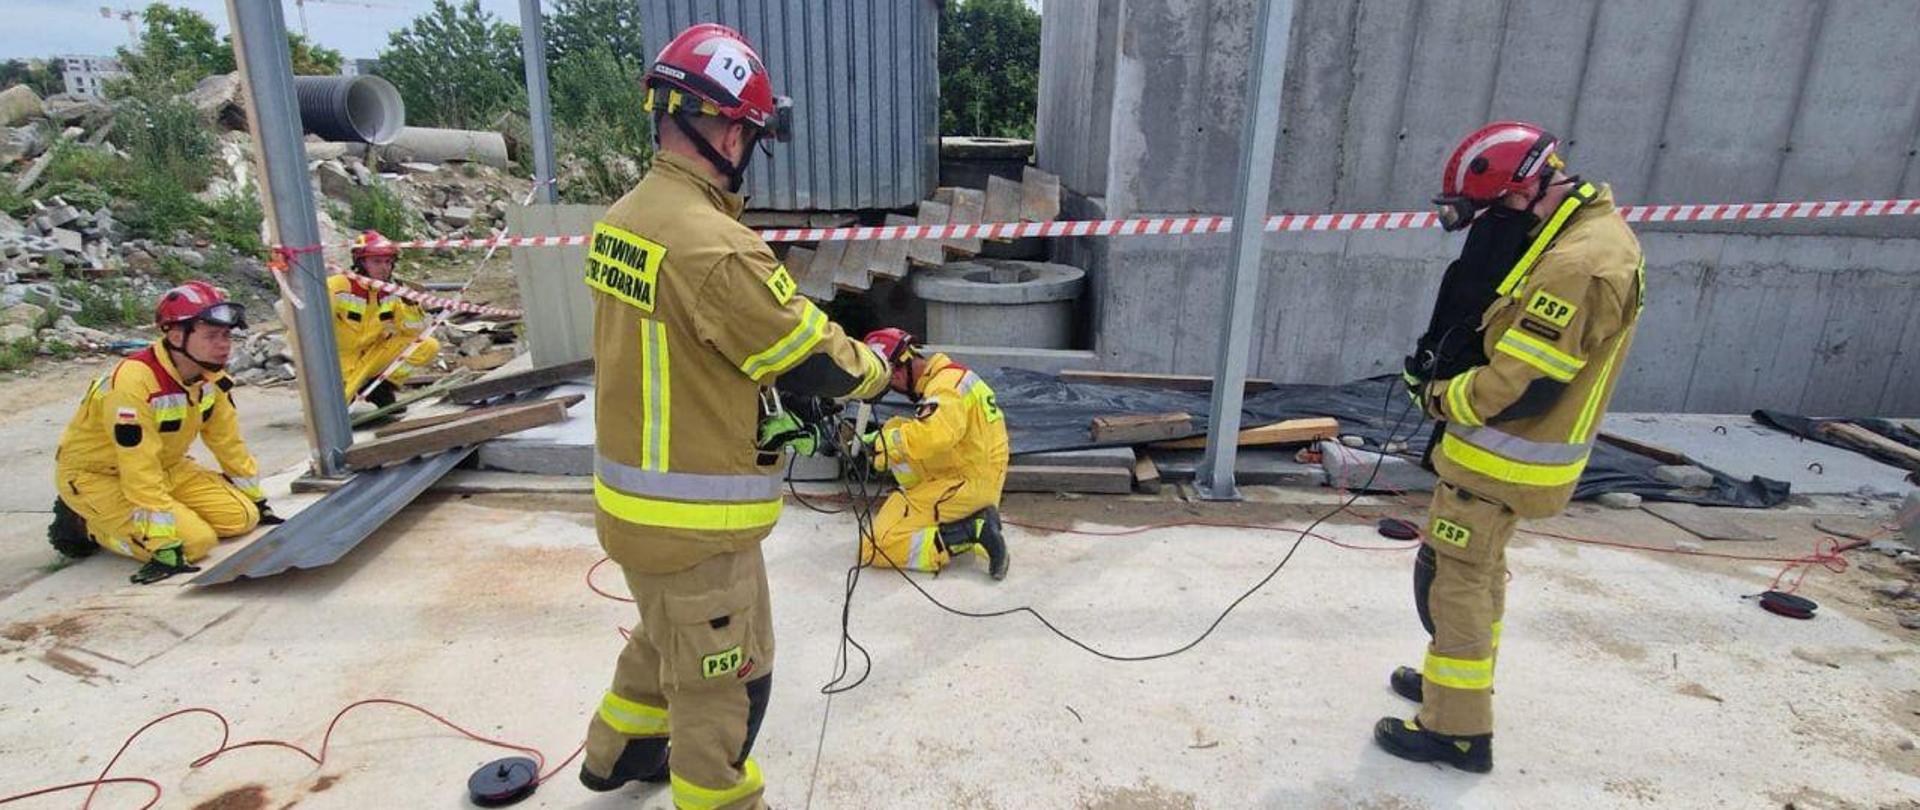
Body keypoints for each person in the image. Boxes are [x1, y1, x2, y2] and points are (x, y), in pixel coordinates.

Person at [577, 24, 888, 810]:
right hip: (695, 524)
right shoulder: (716, 247)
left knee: (665, 636)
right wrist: (878, 366)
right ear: (722, 129)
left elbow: (684, 345)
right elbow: (810, 357)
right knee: (729, 679)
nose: (747, 148)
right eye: (750, 134)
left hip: (632, 509)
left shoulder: (623, 219)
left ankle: (616, 755)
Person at [1380, 121, 1645, 772]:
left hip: (1504, 455)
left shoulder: (1578, 266)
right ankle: (1457, 689)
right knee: (1480, 574)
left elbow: (1514, 387)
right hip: (1512, 455)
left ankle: (1456, 733)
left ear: (1525, 192)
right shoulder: (1586, 236)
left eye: (1495, 212)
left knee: (1456, 585)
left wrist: (1436, 397)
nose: (1492, 228)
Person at [48, 281, 276, 584]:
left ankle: (172, 515)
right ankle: (84, 523)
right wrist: (162, 544)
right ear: (177, 336)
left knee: (242, 519)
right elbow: (137, 467)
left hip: (168, 467)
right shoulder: (133, 383)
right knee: (195, 544)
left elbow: (228, 441)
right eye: (211, 336)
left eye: (226, 335)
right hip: (99, 476)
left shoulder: (209, 378)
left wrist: (256, 499)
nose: (224, 345)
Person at [858, 328, 1010, 580]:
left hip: (966, 485)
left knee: (875, 546)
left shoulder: (946, 389)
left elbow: (931, 436)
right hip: (974, 473)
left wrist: (878, 445)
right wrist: (878, 449)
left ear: (897, 371)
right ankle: (928, 503)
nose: (893, 389)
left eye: (889, 382)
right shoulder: (949, 377)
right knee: (894, 427)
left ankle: (970, 531)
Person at [329, 230, 439, 407]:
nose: (384, 267)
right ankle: (351, 391)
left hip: (372, 353)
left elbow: (413, 331)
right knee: (338, 409)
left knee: (427, 346)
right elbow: (308, 326)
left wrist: (410, 305)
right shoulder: (338, 285)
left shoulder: (392, 290)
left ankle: (381, 388)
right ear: (360, 262)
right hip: (339, 361)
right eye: (377, 261)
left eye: (388, 262)